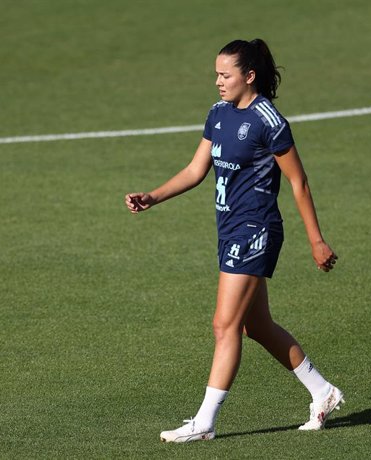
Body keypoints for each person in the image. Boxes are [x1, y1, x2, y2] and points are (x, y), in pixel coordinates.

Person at [125, 38, 344, 443]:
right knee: (254, 326)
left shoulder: (268, 120)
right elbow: (195, 170)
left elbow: (298, 181)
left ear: (249, 76)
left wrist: (316, 240)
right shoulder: (218, 114)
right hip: (228, 230)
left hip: (256, 229)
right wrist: (153, 196)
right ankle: (323, 391)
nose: (218, 82)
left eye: (225, 75)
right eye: (216, 74)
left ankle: (205, 422)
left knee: (224, 324)